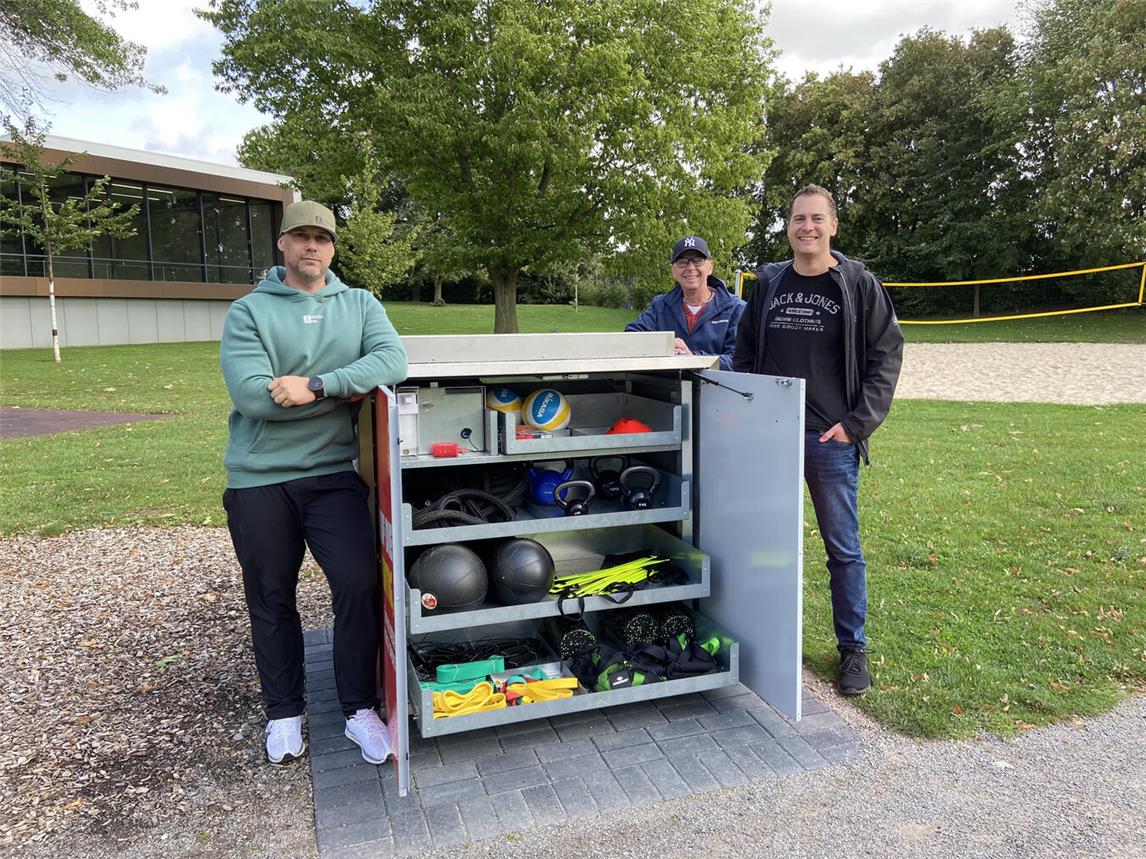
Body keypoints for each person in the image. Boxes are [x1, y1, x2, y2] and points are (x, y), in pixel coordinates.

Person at [220, 200, 408, 764]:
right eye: (301, 236)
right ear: (282, 243)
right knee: (271, 596)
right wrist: (344, 391)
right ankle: (284, 713)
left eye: (321, 239)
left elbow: (392, 360)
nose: (312, 247)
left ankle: (357, 708)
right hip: (259, 479)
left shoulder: (359, 303)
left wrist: (319, 385)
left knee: (357, 583)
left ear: (332, 248)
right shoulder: (248, 312)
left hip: (332, 475)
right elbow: (254, 396)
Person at [733, 185, 903, 696]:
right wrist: (751, 414)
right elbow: (744, 355)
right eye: (797, 219)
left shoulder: (856, 285)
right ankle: (761, 640)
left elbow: (887, 356)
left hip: (829, 440)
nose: (806, 227)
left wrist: (855, 426)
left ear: (833, 226)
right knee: (761, 542)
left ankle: (853, 650)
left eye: (815, 219)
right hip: (772, 438)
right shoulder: (768, 284)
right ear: (788, 227)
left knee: (843, 550)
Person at [625, 235, 745, 369]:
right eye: (683, 262)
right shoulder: (661, 305)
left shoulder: (736, 309)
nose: (690, 267)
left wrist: (693, 359)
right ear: (674, 271)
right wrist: (665, 346)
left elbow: (739, 360)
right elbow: (631, 337)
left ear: (710, 267)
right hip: (667, 386)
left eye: (698, 261)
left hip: (717, 388)